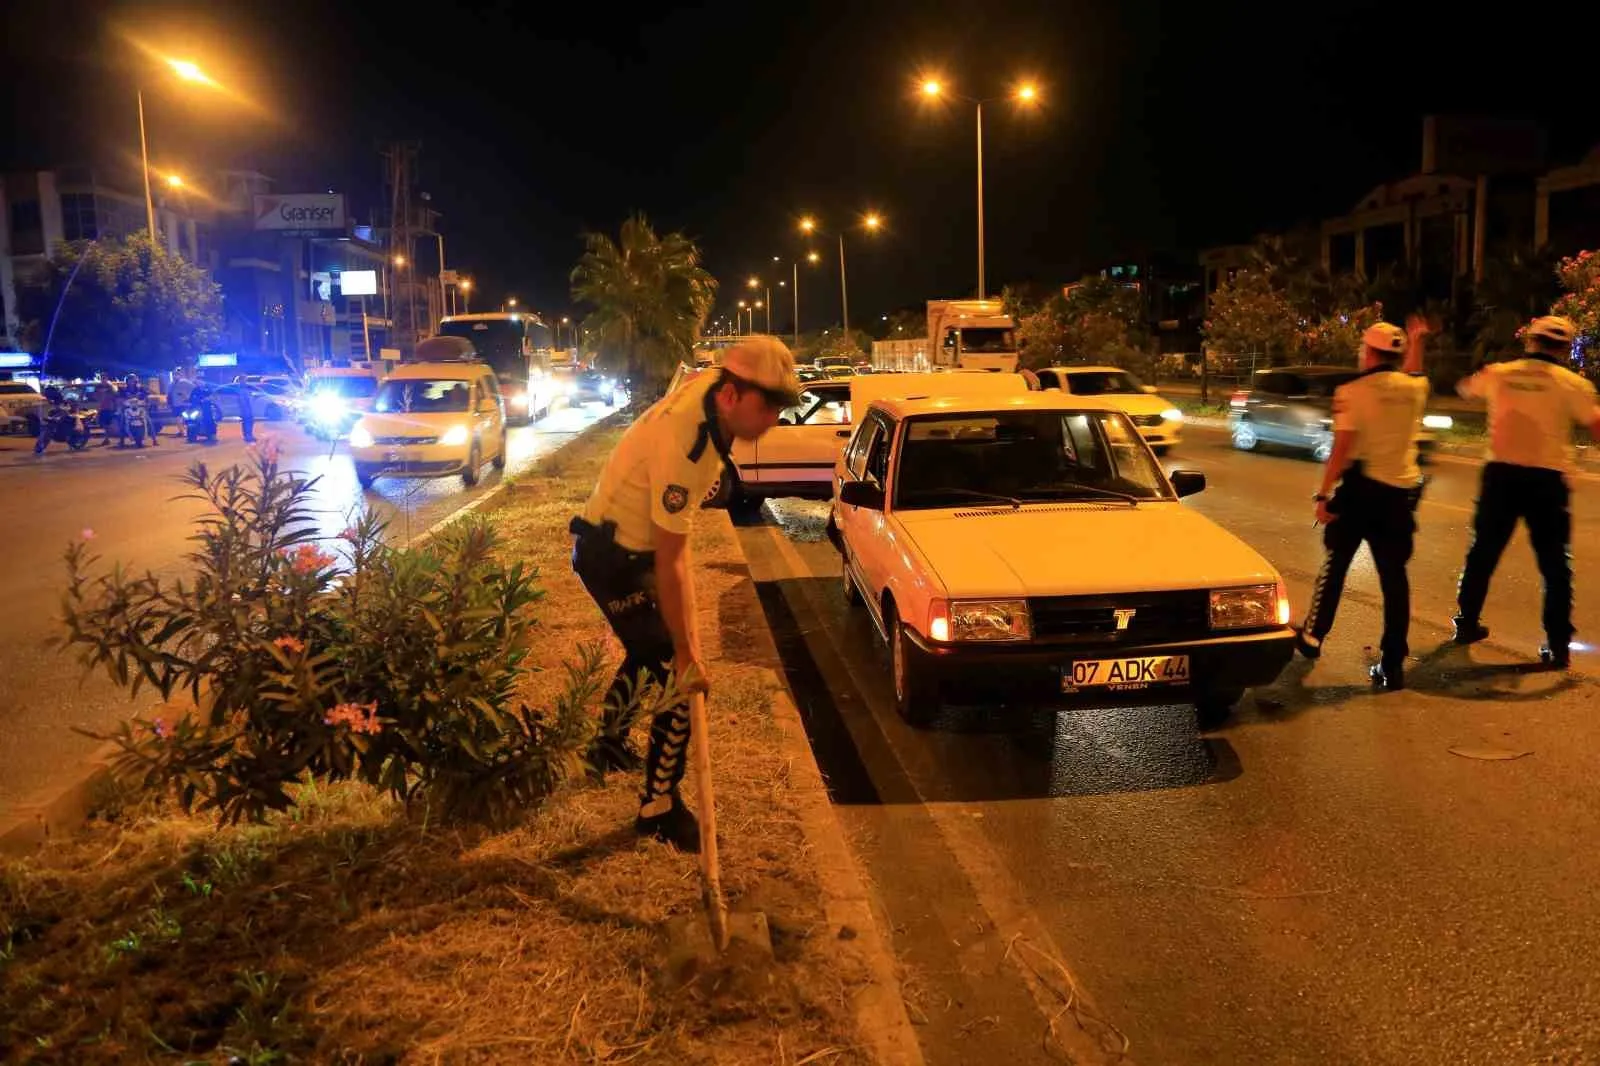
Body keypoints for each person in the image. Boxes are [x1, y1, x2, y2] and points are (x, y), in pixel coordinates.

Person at [570, 337, 799, 851]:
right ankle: (658, 806)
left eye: (780, 408)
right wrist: (688, 651)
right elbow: (673, 560)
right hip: (612, 558)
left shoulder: (709, 394)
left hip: (629, 546)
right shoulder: (689, 444)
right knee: (679, 677)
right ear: (731, 395)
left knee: (648, 648)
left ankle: (607, 744)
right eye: (767, 406)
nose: (772, 420)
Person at [1450, 316, 1600, 669]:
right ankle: (1558, 645)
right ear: (1563, 348)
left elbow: (1464, 389)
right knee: (1554, 565)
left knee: (1483, 553)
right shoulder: (1572, 383)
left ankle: (1466, 623)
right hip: (1547, 481)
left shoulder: (1501, 373)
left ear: (1530, 341)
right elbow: (1596, 424)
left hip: (1500, 476)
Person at [1294, 316, 1431, 690]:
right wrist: (1417, 341)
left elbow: (1341, 449)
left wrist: (1323, 495)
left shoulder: (1351, 392)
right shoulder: (1414, 389)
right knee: (1394, 580)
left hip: (1359, 492)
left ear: (1369, 352)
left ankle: (1313, 635)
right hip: (1398, 497)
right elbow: (1413, 373)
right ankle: (1392, 663)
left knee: (1336, 564)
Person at [232, 376, 256, 443]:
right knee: (247, 421)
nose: (246, 381)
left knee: (249, 421)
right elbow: (242, 400)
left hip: (248, 407)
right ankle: (248, 436)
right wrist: (244, 408)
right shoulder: (240, 388)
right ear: (241, 380)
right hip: (245, 408)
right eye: (245, 379)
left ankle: (248, 435)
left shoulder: (245, 387)